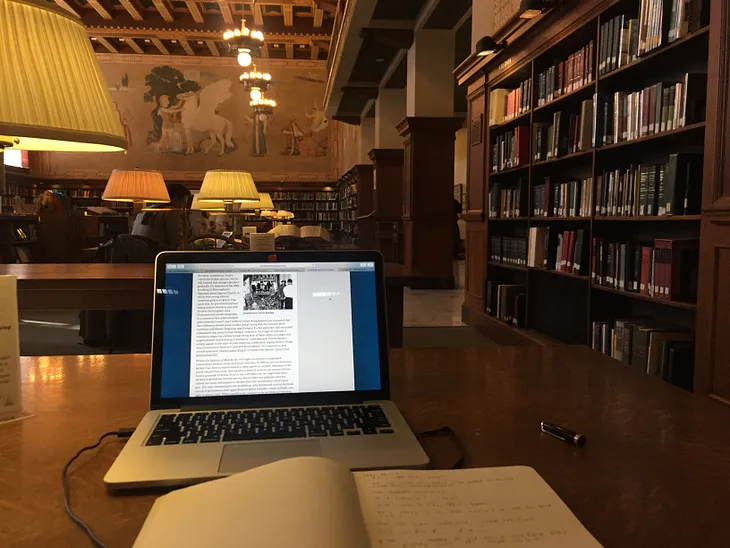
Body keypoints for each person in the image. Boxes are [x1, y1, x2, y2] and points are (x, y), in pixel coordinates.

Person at [131, 184, 191, 251]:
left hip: (136, 253)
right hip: (157, 255)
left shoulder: (144, 210)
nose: (185, 207)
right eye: (184, 203)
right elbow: (178, 241)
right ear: (176, 199)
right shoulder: (171, 211)